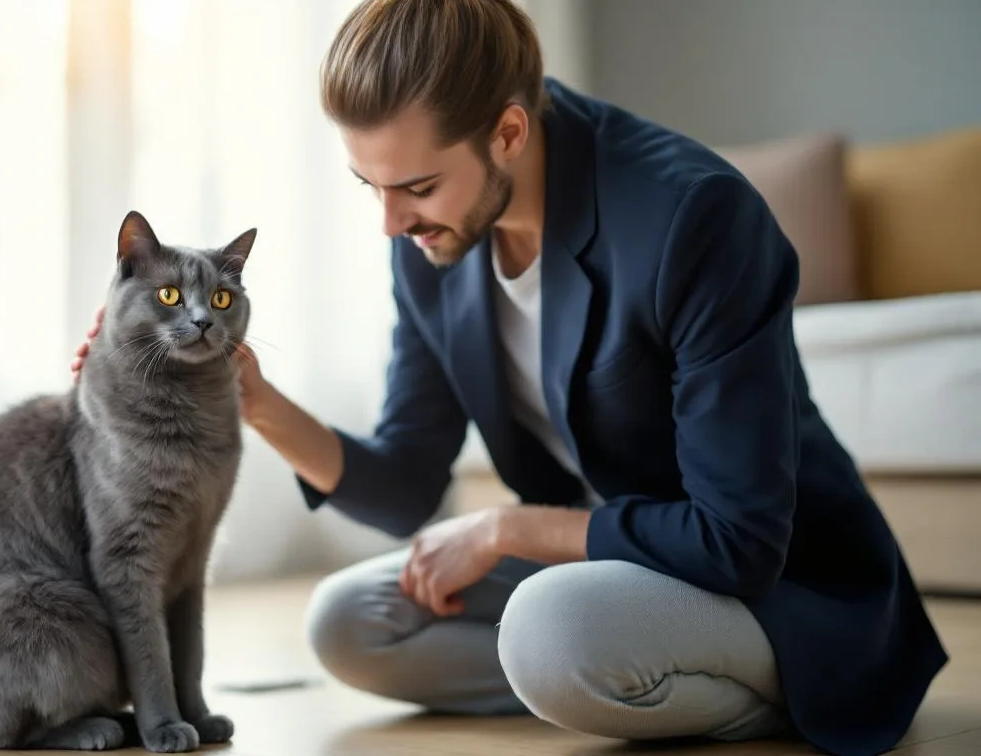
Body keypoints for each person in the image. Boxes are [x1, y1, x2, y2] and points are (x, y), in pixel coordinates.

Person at [71, 1, 947, 754]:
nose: (388, 222)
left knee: (549, 629)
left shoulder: (695, 219)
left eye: (413, 185)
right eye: (367, 185)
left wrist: (505, 528)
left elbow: (740, 542)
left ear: (509, 132)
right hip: (609, 568)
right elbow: (408, 482)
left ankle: (763, 688)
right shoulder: (427, 238)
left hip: (773, 582)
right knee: (349, 624)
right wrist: (246, 395)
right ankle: (612, 678)